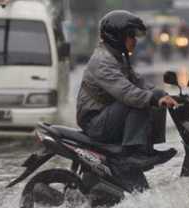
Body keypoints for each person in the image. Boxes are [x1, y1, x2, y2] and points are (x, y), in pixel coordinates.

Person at [76, 10, 179, 170]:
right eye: (131, 35)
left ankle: (146, 149)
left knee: (155, 94)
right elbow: (127, 92)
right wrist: (153, 99)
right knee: (139, 100)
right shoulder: (103, 61)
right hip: (94, 122)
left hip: (107, 115)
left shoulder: (118, 57)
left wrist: (166, 96)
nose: (135, 41)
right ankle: (131, 153)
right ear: (117, 36)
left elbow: (139, 82)